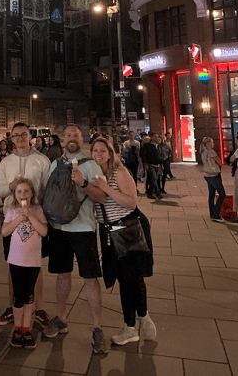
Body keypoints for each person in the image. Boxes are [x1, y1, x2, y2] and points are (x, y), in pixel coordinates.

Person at [43, 124, 108, 355]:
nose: (72, 138)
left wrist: (83, 182)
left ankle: (97, 328)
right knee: (62, 274)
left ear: (82, 139)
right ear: (63, 139)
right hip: (59, 228)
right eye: (68, 135)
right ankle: (60, 318)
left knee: (90, 278)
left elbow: (101, 197)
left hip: (82, 228)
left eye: (76, 135)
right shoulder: (54, 164)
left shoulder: (91, 165)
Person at [91, 137, 156, 346]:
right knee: (120, 278)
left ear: (110, 153)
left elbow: (131, 201)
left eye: (102, 150)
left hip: (126, 227)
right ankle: (129, 327)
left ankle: (143, 316)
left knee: (133, 276)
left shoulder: (119, 173)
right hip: (109, 231)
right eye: (95, 151)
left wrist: (106, 188)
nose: (98, 154)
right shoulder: (94, 175)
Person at [0, 122, 51, 328]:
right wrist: (11, 186)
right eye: (16, 135)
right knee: (13, 264)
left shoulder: (42, 160)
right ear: (11, 138)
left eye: (23, 135)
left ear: (30, 136)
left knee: (36, 265)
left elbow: (46, 192)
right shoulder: (6, 162)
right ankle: (14, 306)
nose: (20, 138)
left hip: (35, 219)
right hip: (13, 218)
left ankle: (39, 308)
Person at [2, 179, 48, 349]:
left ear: (32, 194)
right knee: (18, 295)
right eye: (19, 192)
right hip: (16, 260)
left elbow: (43, 231)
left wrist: (29, 215)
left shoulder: (37, 210)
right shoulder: (12, 210)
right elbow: (4, 231)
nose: (23, 195)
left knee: (29, 295)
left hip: (33, 261)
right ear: (15, 194)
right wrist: (18, 218)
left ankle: (26, 328)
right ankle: (17, 328)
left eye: (26, 191)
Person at [200, 137, 226, 223]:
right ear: (207, 143)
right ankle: (216, 214)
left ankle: (212, 214)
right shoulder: (211, 151)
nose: (213, 144)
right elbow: (219, 161)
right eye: (211, 142)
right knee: (222, 194)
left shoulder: (203, 152)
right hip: (214, 175)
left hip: (207, 175)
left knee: (211, 194)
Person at [141, 132, 162, 199]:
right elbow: (144, 155)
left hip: (157, 164)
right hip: (150, 164)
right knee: (154, 178)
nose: (157, 138)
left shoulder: (158, 146)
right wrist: (145, 164)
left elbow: (160, 156)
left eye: (157, 136)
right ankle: (157, 193)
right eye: (155, 136)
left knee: (154, 179)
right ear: (152, 137)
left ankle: (150, 192)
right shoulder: (148, 146)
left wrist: (161, 164)